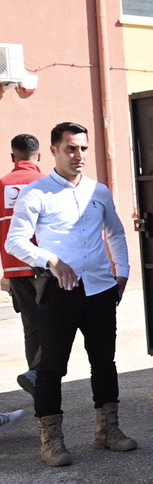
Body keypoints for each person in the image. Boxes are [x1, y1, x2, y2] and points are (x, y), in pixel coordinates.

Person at [4, 122, 135, 467]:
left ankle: (108, 430)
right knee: (51, 367)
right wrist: (50, 259)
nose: (79, 155)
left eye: (83, 149)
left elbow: (116, 233)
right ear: (54, 151)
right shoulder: (37, 192)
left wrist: (122, 272)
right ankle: (52, 440)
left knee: (104, 361)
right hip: (59, 292)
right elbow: (14, 241)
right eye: (71, 149)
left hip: (100, 289)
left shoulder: (99, 191)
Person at [1, 133, 42, 394]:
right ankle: (39, 372)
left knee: (31, 324)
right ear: (39, 156)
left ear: (12, 156)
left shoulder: (2, 184)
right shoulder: (45, 183)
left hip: (14, 268)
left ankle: (35, 374)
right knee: (55, 319)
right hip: (44, 266)